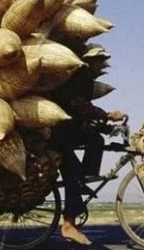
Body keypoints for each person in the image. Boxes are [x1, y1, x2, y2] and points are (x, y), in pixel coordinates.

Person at [49, 66, 126, 245]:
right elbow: (79, 106)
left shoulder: (82, 79)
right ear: (91, 61)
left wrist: (106, 128)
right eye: (99, 60)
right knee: (73, 171)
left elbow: (82, 118)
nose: (102, 65)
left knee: (96, 139)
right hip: (57, 135)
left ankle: (82, 181)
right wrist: (107, 116)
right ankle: (68, 225)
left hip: (66, 131)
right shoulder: (78, 77)